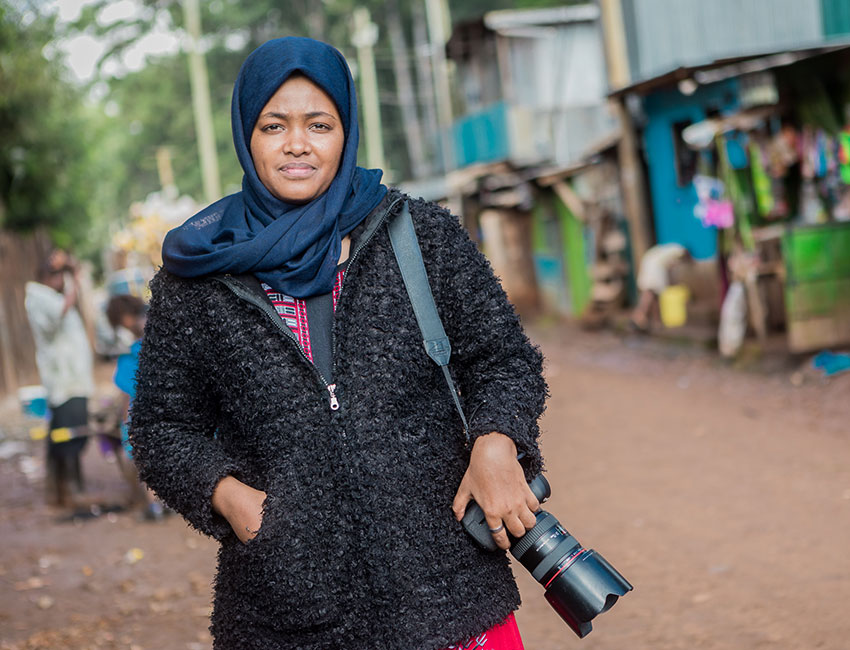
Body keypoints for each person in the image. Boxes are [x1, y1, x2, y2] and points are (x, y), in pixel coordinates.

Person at [129, 37, 547, 650]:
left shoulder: (420, 235)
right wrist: (235, 502)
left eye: (318, 124)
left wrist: (495, 440)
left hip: (451, 597)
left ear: (345, 131)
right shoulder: (197, 280)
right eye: (275, 125)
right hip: (286, 613)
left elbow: (503, 360)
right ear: (247, 134)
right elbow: (162, 427)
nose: (297, 143)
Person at [25, 250, 94, 508]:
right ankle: (70, 491)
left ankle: (62, 490)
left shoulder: (48, 296)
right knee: (69, 434)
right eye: (56, 274)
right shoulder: (39, 298)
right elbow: (60, 312)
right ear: (45, 276)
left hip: (70, 377)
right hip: (64, 378)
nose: (60, 280)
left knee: (65, 433)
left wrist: (70, 269)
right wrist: (74, 278)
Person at [629, 242, 693, 332]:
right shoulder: (679, 250)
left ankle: (655, 321)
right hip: (654, 268)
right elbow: (674, 265)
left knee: (654, 295)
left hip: (650, 263)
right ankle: (639, 316)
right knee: (649, 293)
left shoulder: (669, 249)